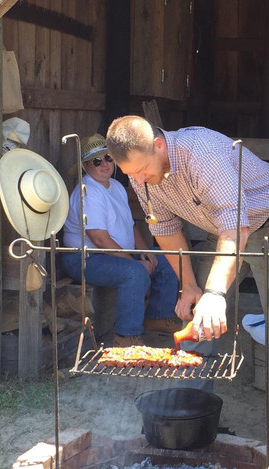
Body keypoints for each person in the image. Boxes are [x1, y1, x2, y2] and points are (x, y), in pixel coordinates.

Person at [104, 116, 269, 450]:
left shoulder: (201, 153)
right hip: (227, 233)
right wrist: (190, 286)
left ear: (158, 145)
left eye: (141, 170)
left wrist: (214, 292)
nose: (139, 180)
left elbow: (236, 227)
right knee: (196, 320)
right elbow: (166, 230)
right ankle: (191, 417)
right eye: (130, 175)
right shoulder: (141, 176)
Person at [61, 134, 182, 346]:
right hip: (85, 258)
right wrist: (134, 262)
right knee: (134, 273)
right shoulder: (86, 191)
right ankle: (127, 336)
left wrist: (146, 253)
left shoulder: (116, 186)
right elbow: (99, 239)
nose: (105, 164)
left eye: (108, 158)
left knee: (167, 260)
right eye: (97, 161)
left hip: (112, 253)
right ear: (85, 165)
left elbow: (130, 225)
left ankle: (158, 318)